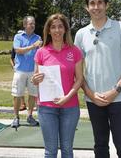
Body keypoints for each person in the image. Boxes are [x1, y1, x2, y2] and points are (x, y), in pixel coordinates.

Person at [74, 0, 121, 158]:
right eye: (92, 3)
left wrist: (114, 91)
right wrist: (91, 94)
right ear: (87, 7)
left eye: (100, 2)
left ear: (107, 5)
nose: (96, 7)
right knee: (100, 145)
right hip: (93, 99)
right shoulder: (80, 34)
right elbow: (78, 72)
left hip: (120, 98)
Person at [32, 13, 83, 158]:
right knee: (50, 151)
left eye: (60, 26)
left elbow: (79, 79)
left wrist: (67, 97)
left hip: (70, 107)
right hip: (47, 108)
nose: (57, 30)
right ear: (48, 30)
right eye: (53, 27)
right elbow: (36, 79)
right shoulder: (41, 52)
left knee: (67, 149)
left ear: (65, 29)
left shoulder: (74, 51)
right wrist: (35, 79)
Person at [11, 16, 42, 128]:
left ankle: (29, 116)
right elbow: (18, 51)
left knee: (33, 95)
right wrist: (33, 46)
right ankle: (16, 117)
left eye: (34, 23)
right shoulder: (18, 37)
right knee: (17, 95)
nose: (33, 25)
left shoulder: (38, 37)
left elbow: (40, 54)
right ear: (24, 25)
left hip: (33, 71)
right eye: (30, 23)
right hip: (20, 71)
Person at [10, 46, 27, 111]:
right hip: (20, 70)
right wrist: (13, 67)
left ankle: (37, 105)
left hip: (31, 69)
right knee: (19, 89)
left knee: (34, 90)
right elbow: (11, 58)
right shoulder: (16, 45)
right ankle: (23, 104)